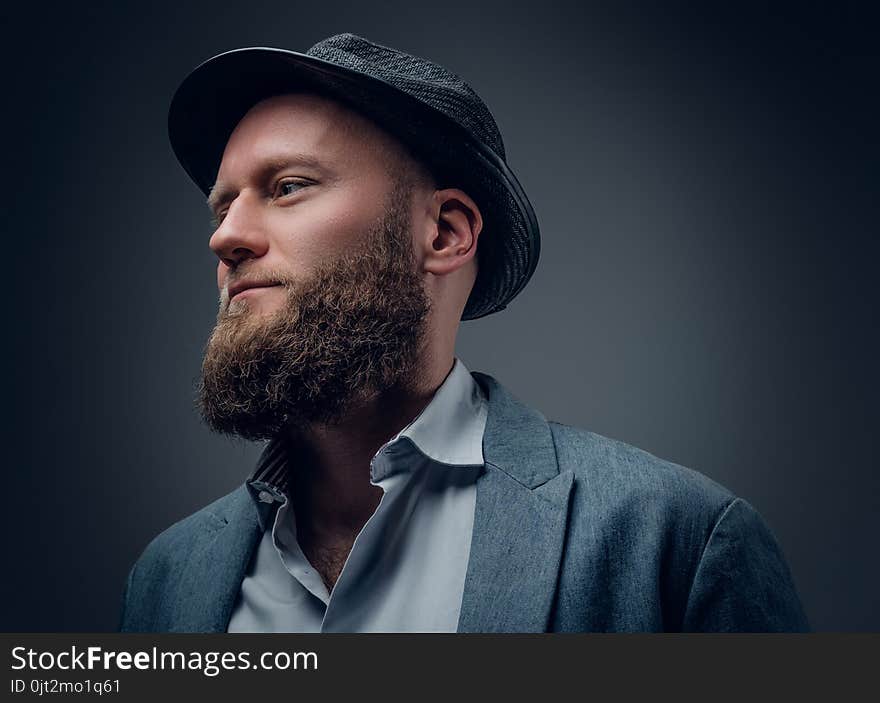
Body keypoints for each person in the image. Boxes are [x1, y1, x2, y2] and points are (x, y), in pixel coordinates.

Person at [118, 32, 810, 632]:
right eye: (222, 206)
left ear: (445, 232)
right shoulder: (167, 578)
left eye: (289, 186)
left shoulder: (676, 543)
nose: (227, 236)